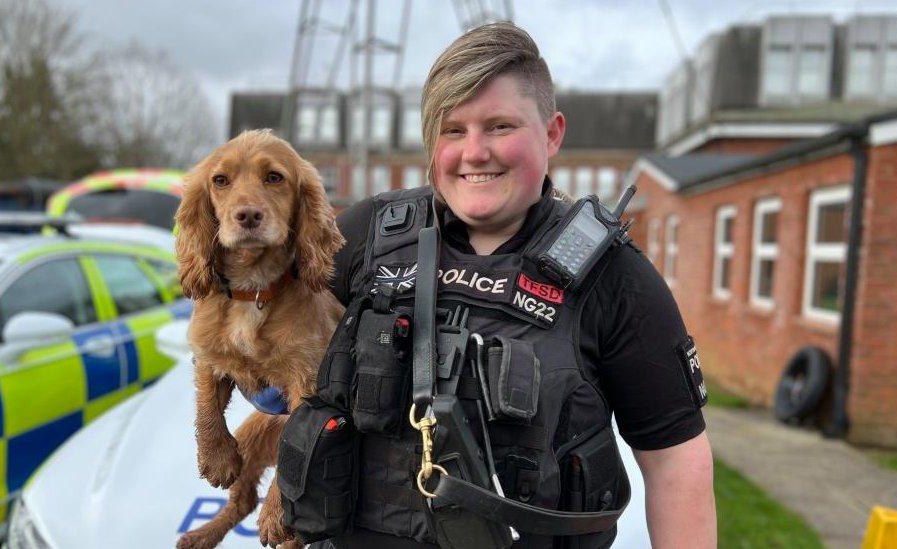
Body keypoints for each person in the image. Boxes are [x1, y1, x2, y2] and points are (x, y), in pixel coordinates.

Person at [297, 21, 715, 549]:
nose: (475, 152)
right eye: (453, 130)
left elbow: (676, 459)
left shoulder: (616, 278)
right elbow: (263, 322)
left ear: (552, 133)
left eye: (499, 126)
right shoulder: (366, 236)